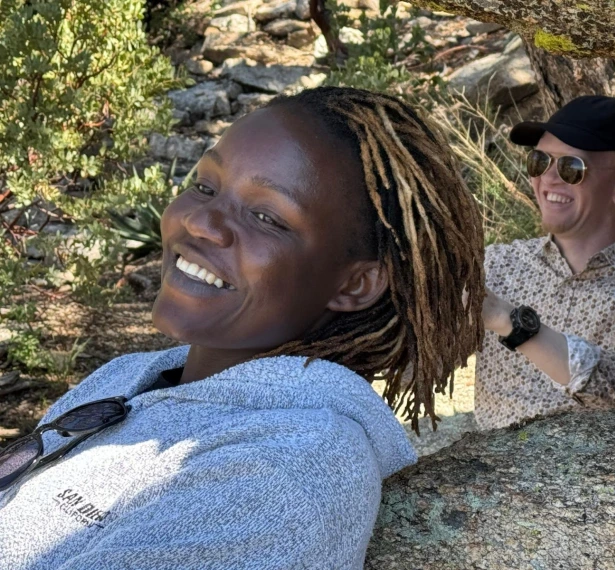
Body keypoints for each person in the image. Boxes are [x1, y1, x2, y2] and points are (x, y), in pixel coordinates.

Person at [0, 87, 485, 569]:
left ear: (356, 283)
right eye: (205, 186)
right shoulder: (128, 376)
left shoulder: (292, 470)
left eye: (266, 217)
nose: (201, 221)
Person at [475, 95, 615, 431]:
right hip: (486, 477)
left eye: (571, 167)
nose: (549, 179)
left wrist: (508, 321)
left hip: (598, 481)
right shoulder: (496, 265)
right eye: (540, 162)